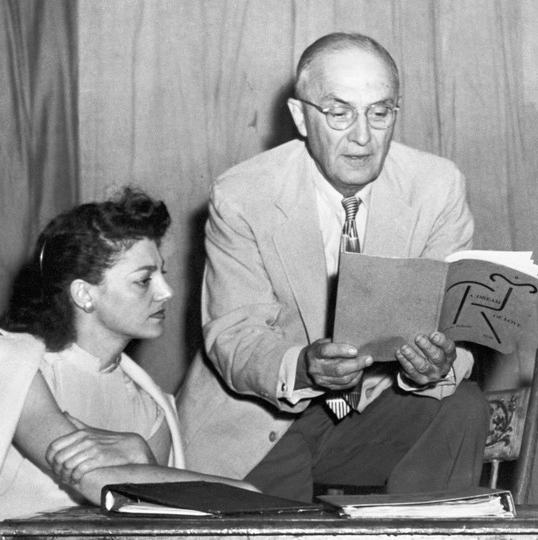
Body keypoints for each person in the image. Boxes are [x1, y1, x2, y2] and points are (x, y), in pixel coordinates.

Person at [177, 32, 488, 502]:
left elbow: (455, 329)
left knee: (462, 406)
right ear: (301, 117)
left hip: (376, 408)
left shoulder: (437, 187)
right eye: (339, 113)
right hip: (262, 420)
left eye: (379, 112)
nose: (362, 136)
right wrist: (303, 368)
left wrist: (436, 365)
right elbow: (234, 337)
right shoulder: (243, 194)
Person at [0, 188, 255, 540]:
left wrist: (141, 452)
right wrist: (244, 492)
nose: (165, 292)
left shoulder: (151, 406)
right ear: (84, 294)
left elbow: (153, 512)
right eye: (144, 280)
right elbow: (95, 479)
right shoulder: (13, 369)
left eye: (162, 274)